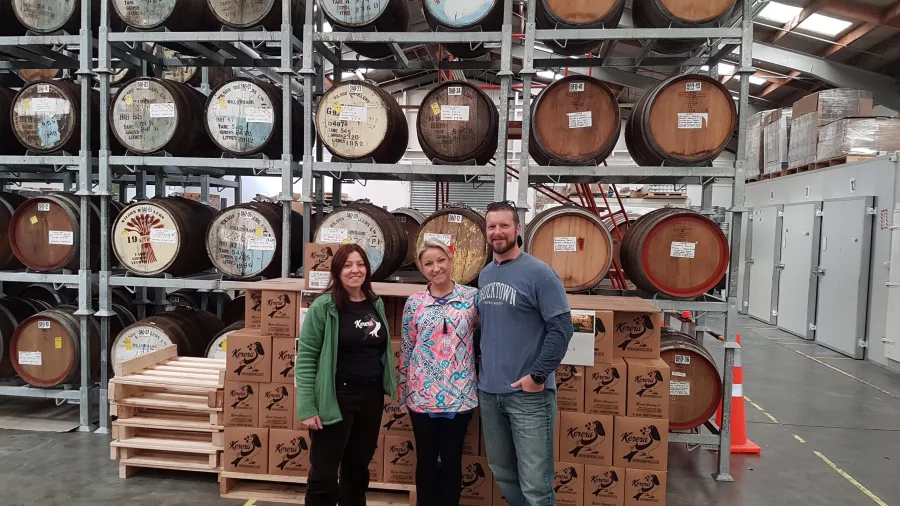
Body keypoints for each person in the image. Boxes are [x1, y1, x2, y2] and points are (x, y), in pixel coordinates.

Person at [477, 201, 574, 506]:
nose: (497, 232)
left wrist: (537, 376)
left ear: (518, 229)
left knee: (536, 484)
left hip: (528, 397)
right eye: (492, 226)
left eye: (504, 225)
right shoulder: (485, 275)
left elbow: (562, 329)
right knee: (502, 472)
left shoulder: (540, 274)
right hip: (490, 393)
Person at [295, 243, 397, 506]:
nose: (355, 270)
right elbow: (306, 358)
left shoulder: (376, 303)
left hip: (371, 396)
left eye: (360, 264)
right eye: (348, 265)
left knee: (357, 470)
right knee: (324, 473)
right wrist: (307, 406)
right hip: (336, 395)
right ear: (337, 271)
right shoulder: (324, 306)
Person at [397, 239, 479, 506]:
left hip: (460, 394)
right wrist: (403, 390)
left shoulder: (471, 298)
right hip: (422, 395)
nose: (436, 268)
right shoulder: (414, 303)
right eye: (428, 263)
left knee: (453, 459)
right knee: (426, 460)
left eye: (440, 260)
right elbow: (407, 348)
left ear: (451, 260)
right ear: (421, 268)